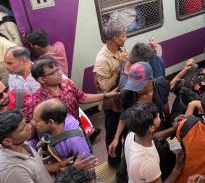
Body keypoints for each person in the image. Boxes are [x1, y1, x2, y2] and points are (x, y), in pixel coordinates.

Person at [0, 109, 97, 183]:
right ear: (7, 141)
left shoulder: (21, 144)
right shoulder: (13, 171)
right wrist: (70, 172)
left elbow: (36, 169)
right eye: (23, 128)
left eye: (26, 123)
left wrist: (58, 166)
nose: (30, 127)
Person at [24, 56, 119, 123]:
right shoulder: (35, 101)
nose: (60, 73)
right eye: (54, 72)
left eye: (58, 69)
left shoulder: (66, 84)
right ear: (41, 79)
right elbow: (31, 126)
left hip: (78, 129)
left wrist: (107, 95)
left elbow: (82, 97)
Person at [121, 102, 184, 183]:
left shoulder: (131, 135)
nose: (159, 115)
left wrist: (173, 129)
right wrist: (177, 168)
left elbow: (153, 137)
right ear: (151, 128)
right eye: (157, 116)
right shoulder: (148, 163)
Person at [93, 22, 128, 168]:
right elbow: (105, 88)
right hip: (112, 104)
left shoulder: (120, 48)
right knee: (113, 132)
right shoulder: (102, 60)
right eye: (123, 35)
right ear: (115, 38)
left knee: (126, 128)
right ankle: (114, 162)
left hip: (123, 98)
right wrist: (119, 67)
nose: (126, 37)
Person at [31, 99, 92, 164]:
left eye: (36, 121)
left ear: (50, 122)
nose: (33, 123)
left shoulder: (74, 141)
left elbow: (88, 165)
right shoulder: (56, 121)